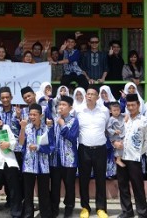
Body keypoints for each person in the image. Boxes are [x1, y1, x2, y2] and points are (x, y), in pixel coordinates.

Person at [75, 85, 109, 218]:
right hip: (84, 149)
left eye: (92, 94)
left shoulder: (104, 111)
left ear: (97, 97)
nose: (89, 96)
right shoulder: (78, 110)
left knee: (101, 178)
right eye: (87, 94)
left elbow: (106, 127)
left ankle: (101, 208)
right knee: (84, 179)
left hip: (100, 149)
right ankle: (85, 207)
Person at [113, 94, 147, 218]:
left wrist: (139, 152)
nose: (131, 107)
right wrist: (114, 143)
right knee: (123, 186)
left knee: (138, 186)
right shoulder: (123, 119)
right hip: (121, 157)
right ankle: (127, 211)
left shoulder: (144, 121)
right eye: (128, 105)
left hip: (135, 159)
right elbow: (115, 135)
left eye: (133, 105)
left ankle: (143, 212)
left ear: (138, 105)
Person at [19, 103, 54, 218]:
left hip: (43, 166)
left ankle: (46, 214)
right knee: (28, 193)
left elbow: (51, 148)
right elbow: (20, 144)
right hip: (29, 165)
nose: (32, 117)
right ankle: (28, 214)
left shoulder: (47, 129)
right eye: (30, 114)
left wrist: (38, 147)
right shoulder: (27, 128)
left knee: (44, 193)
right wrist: (22, 129)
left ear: (41, 115)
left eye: (35, 114)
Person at [50, 96, 79, 218]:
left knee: (69, 185)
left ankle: (69, 206)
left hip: (69, 159)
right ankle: (54, 207)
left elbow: (72, 137)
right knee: (55, 185)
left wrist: (62, 125)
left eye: (64, 105)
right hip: (55, 159)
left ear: (70, 108)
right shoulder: (54, 120)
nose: (60, 107)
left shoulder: (74, 121)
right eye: (59, 105)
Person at [107, 102, 125, 168]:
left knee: (123, 146)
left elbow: (127, 114)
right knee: (119, 147)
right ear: (110, 111)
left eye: (118, 110)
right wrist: (114, 131)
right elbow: (108, 128)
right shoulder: (111, 119)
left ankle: (121, 159)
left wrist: (127, 116)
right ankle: (118, 159)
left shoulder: (122, 116)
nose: (116, 112)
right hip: (115, 136)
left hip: (123, 134)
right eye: (114, 110)